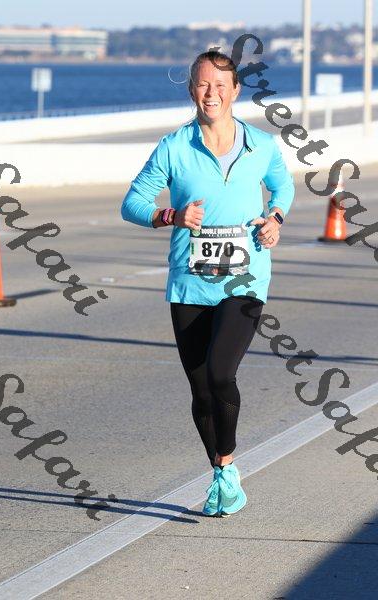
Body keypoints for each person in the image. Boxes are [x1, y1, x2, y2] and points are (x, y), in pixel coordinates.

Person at [121, 50, 295, 517]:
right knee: (200, 389)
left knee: (220, 372)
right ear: (191, 90)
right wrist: (171, 216)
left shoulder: (261, 145)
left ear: (236, 90)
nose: (211, 93)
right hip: (190, 283)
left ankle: (229, 464)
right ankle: (221, 472)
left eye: (220, 85)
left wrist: (275, 217)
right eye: (202, 84)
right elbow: (132, 203)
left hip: (245, 279)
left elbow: (283, 187)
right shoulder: (174, 147)